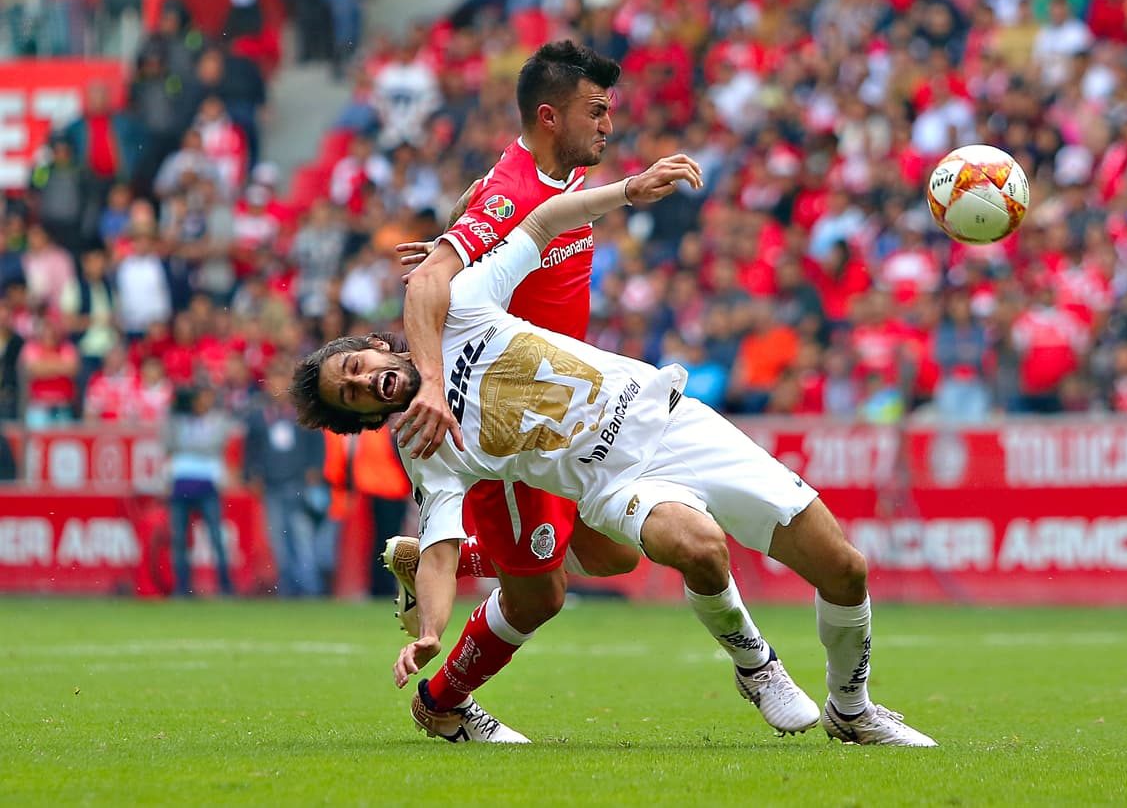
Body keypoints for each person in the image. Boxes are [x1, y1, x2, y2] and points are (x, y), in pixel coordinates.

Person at [291, 157, 937, 748]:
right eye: (350, 395)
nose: (357, 380)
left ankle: (851, 707)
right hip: (613, 480)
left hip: (670, 417)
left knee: (844, 567)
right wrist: (431, 629)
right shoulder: (424, 444)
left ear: (374, 346)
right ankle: (756, 664)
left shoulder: (457, 303)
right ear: (369, 414)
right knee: (698, 547)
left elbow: (541, 219)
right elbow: (434, 545)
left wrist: (630, 189)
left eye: (352, 365)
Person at [375, 41, 643, 737]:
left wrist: (448, 239)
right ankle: (441, 702)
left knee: (617, 551)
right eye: (597, 111)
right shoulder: (514, 189)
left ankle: (449, 557)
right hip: (515, 409)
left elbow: (474, 223)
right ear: (551, 116)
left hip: (565, 402)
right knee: (539, 597)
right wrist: (433, 376)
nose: (608, 125)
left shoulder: (540, 177)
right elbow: (438, 274)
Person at [243, 358, 330, 597]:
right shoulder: (259, 416)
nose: (277, 386)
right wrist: (251, 474)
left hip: (298, 482)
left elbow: (317, 442)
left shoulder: (302, 412)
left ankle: (310, 586)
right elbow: (251, 449)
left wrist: (315, 468)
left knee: (301, 535)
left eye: (281, 381)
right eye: (273, 381)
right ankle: (288, 586)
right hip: (271, 484)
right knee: (278, 538)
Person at [166, 384, 235, 597]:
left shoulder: (218, 420)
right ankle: (182, 587)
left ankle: (225, 586)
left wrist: (189, 446)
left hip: (206, 485)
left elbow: (215, 444)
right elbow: (168, 442)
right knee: (179, 539)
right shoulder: (178, 419)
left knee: (216, 537)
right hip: (181, 484)